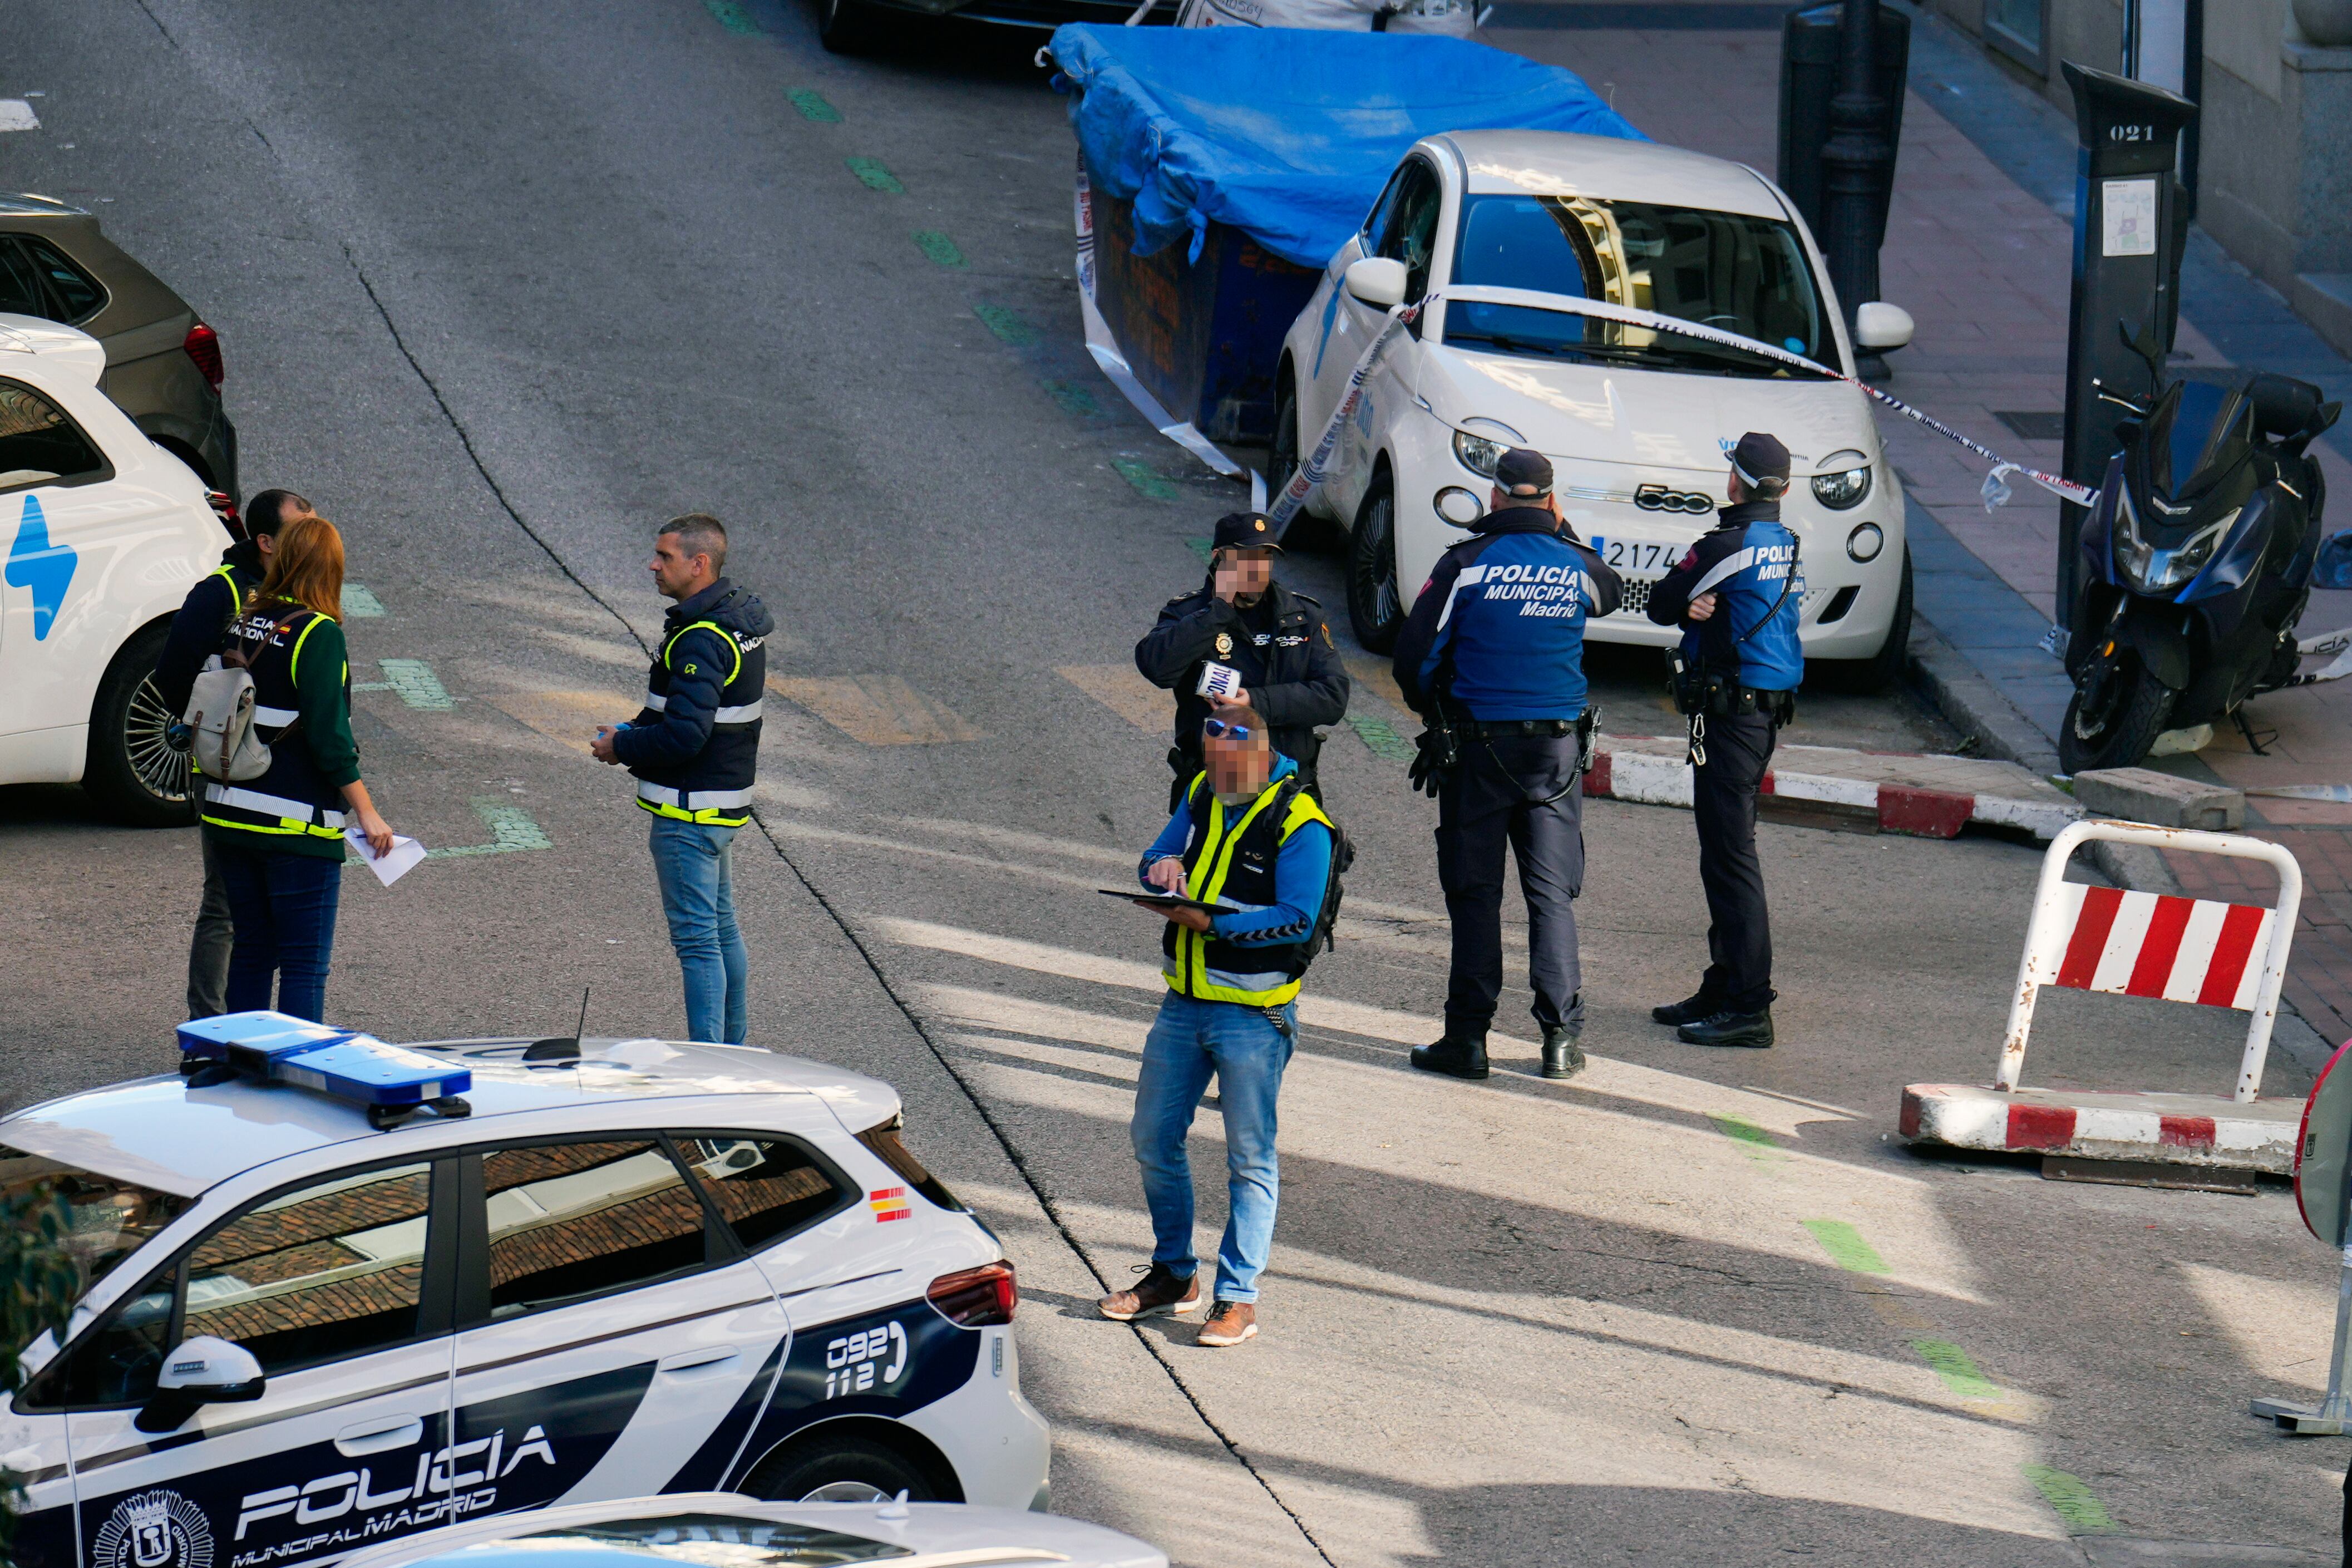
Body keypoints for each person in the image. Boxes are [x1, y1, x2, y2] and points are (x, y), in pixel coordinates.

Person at [1097, 706, 1335, 1348]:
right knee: (1152, 1136)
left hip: (1255, 1015)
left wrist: (1213, 925)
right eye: (1211, 767)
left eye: (1231, 772)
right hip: (1184, 1002)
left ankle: (1238, 1298)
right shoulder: (1206, 788)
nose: (1217, 782)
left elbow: (1298, 919)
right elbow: (1158, 850)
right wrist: (1161, 872)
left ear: (1260, 757)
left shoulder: (1302, 823)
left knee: (1249, 1158)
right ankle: (1175, 1276)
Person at [1391, 447, 1620, 1082]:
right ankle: (1561, 1041)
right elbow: (1611, 590)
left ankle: (1467, 1040)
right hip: (1557, 755)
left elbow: (1413, 660)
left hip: (1479, 748)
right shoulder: (1576, 564)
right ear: (1551, 500)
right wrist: (1561, 530)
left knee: (1475, 894)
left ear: (1493, 498)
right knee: (1551, 897)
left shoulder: (1464, 563)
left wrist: (1437, 708)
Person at [198, 516, 396, 1022]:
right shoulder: (318, 634)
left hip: (229, 814)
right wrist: (368, 813)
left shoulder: (245, 619)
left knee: (251, 953)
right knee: (304, 967)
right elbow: (331, 740)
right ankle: (293, 1079)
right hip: (296, 825)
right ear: (329, 569)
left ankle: (235, 1063)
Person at [1644, 431, 1805, 1049]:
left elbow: (1661, 603)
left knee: (1732, 857)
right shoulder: (1786, 542)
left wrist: (1689, 611)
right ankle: (1725, 980)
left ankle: (1747, 1004)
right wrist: (1700, 612)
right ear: (1785, 488)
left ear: (1733, 480)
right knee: (1725, 851)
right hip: (1762, 715)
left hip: (1730, 716)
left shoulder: (1724, 544)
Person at [593, 514, 772, 1046]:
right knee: (722, 931)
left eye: (665, 557)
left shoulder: (700, 638)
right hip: (721, 806)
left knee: (698, 943)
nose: (653, 564)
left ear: (699, 565)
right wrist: (633, 727)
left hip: (686, 813)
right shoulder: (735, 622)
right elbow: (691, 715)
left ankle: (710, 1067)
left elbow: (685, 737)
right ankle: (733, 1056)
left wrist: (620, 746)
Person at [155, 488, 317, 1020]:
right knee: (226, 906)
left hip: (282, 779)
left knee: (269, 910)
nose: (315, 540)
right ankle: (208, 1030)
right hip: (230, 772)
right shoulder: (220, 593)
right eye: (301, 530)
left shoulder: (303, 592)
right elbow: (172, 674)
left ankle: (249, 1026)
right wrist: (215, 734)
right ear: (266, 542)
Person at [1135, 510, 1349, 807]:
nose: (1257, 568)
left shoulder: (1301, 616)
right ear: (1219, 557)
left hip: (1287, 788)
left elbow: (1334, 697)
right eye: (1246, 557)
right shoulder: (1189, 614)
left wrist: (1255, 702)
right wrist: (1218, 611)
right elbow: (1156, 667)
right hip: (1216, 786)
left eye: (1265, 557)